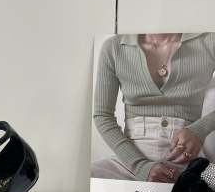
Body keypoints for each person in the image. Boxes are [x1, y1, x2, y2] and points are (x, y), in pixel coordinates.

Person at [92, 33, 215, 183]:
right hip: (129, 163)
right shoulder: (114, 46)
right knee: (90, 178)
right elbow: (102, 115)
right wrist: (140, 166)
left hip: (192, 161)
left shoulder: (209, 40)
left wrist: (199, 130)